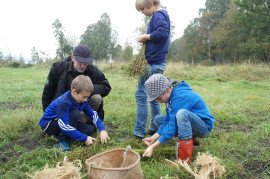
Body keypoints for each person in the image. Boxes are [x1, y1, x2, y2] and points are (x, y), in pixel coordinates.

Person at [142, 74, 215, 164]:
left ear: (168, 90)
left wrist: (153, 146)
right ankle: (192, 139)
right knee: (158, 119)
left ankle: (184, 160)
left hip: (203, 127)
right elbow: (168, 120)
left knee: (181, 114)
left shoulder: (179, 97)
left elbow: (172, 126)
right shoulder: (169, 96)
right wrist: (154, 138)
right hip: (191, 122)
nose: (157, 101)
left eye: (159, 98)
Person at [131, 0, 171, 140]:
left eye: (142, 9)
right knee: (154, 97)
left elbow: (162, 33)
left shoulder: (158, 15)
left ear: (151, 4)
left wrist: (145, 37)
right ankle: (155, 128)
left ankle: (139, 132)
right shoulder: (161, 15)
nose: (142, 12)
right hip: (157, 63)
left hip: (152, 64)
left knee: (141, 95)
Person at [39, 75, 110, 152]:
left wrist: (102, 129)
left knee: (89, 130)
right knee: (75, 113)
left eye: (87, 97)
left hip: (62, 122)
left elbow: (93, 115)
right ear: (74, 92)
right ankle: (61, 142)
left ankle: (61, 135)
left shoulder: (82, 100)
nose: (86, 100)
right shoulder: (64, 102)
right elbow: (65, 126)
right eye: (84, 97)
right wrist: (85, 138)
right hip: (49, 124)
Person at [42, 44, 111, 122]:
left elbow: (106, 86)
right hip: (63, 106)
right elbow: (47, 92)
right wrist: (47, 116)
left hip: (82, 106)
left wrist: (87, 89)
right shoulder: (57, 68)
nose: (82, 65)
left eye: (85, 63)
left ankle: (85, 121)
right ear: (72, 58)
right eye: (79, 62)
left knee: (97, 98)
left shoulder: (92, 70)